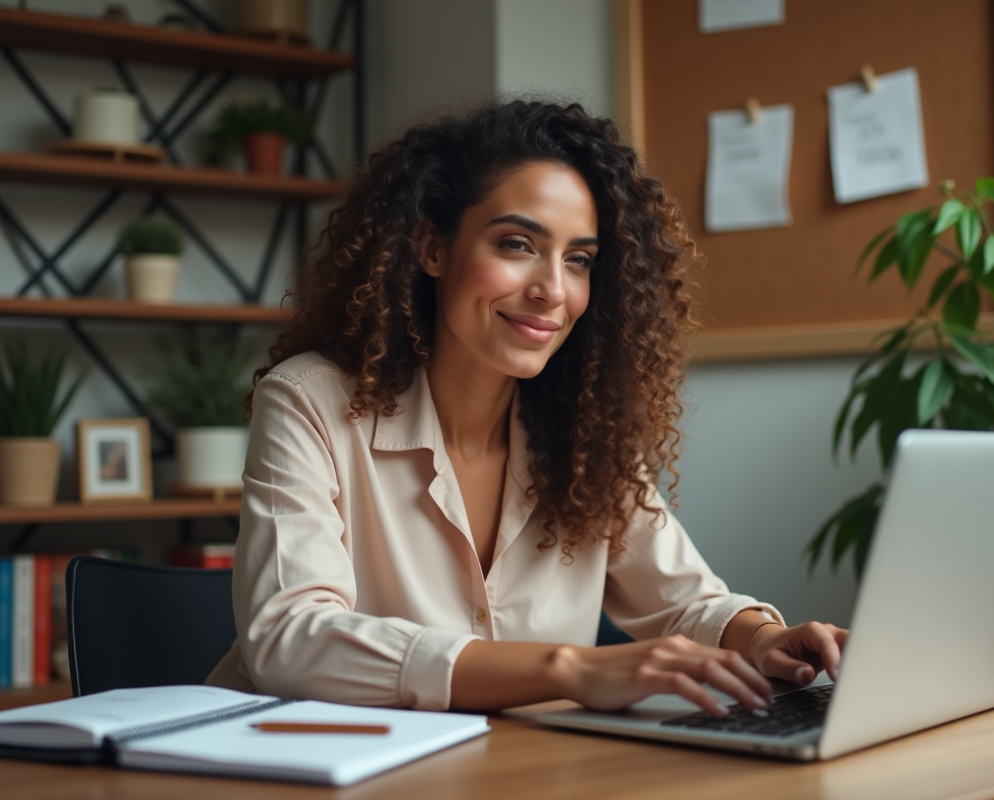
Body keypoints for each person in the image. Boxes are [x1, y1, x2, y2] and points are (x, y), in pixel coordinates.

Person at [206, 100, 847, 717]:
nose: (552, 290)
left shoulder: (585, 435)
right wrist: (567, 668)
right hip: (293, 762)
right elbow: (289, 639)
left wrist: (763, 638)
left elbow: (685, 603)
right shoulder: (309, 401)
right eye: (516, 244)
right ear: (432, 249)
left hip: (507, 767)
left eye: (579, 260)